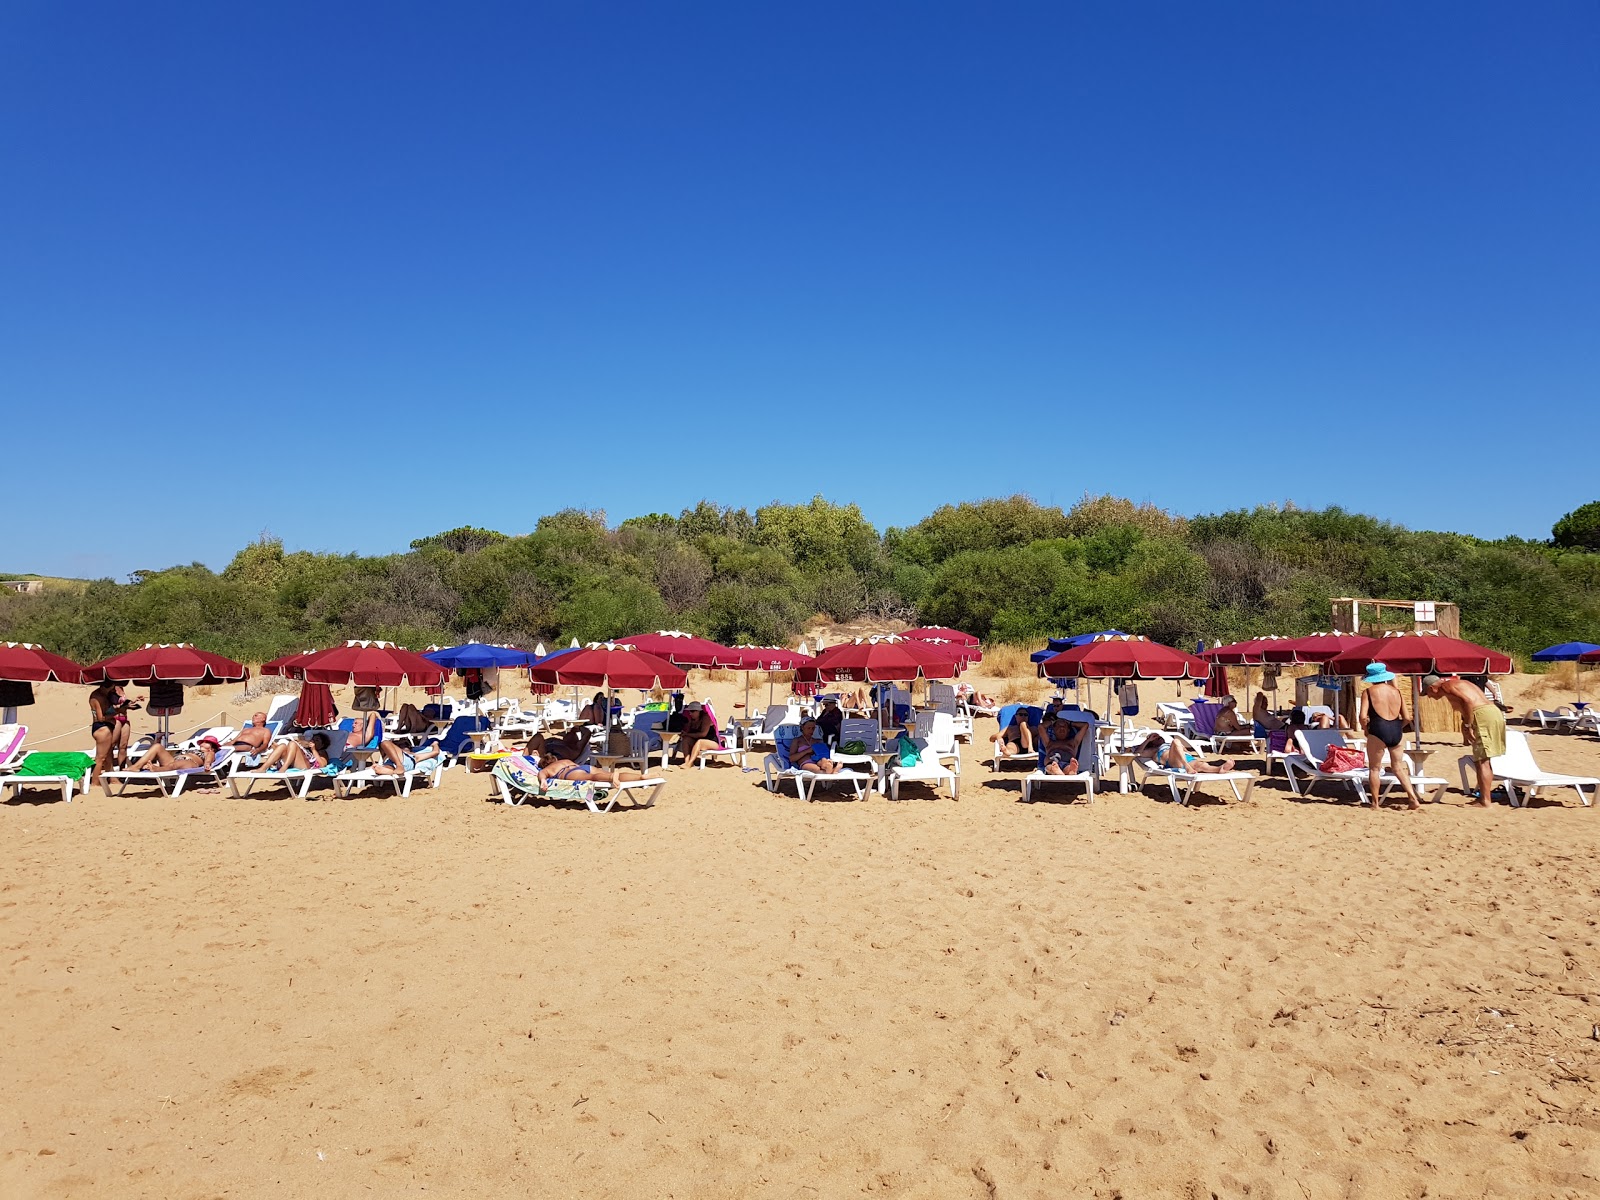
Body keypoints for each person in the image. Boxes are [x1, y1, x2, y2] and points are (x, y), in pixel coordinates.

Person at [1422, 672, 1505, 807]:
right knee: (1481, 759)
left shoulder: (1446, 686)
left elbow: (1467, 701)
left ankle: (1485, 801)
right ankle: (1484, 798)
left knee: (1482, 760)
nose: (1430, 697)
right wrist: (1466, 724)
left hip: (1482, 715)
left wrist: (1468, 725)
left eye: (1428, 694)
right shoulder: (1459, 684)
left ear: (1432, 688)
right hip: (1491, 712)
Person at [1358, 663, 1421, 811]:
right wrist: (1398, 726)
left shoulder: (1368, 692)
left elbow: (1362, 716)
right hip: (1396, 729)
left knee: (1374, 768)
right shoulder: (1396, 692)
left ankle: (1375, 803)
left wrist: (1365, 729)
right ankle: (1412, 798)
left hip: (1378, 729)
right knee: (1398, 768)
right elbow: (1407, 717)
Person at [88, 680, 138, 788]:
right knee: (100, 757)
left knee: (107, 756)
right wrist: (115, 712)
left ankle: (112, 779)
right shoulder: (98, 697)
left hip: (103, 726)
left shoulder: (101, 695)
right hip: (102, 727)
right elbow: (101, 718)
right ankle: (95, 783)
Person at [1136, 732, 1236, 774]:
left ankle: (1219, 769)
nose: (1159, 738)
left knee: (1200, 765)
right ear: (1152, 743)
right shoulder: (1154, 750)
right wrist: (1148, 740)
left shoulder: (1168, 744)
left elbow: (1185, 751)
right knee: (1176, 741)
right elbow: (1138, 753)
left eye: (1159, 736)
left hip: (1187, 758)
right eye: (1156, 738)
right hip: (1173, 762)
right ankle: (1186, 766)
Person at [124, 734, 221, 777]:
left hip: (190, 763)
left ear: (212, 747)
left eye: (207, 742)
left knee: (174, 766)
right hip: (176, 760)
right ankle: (136, 766)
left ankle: (156, 769)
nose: (203, 743)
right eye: (202, 742)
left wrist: (207, 764)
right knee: (157, 746)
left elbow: (209, 758)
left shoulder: (209, 752)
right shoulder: (193, 748)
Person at [537, 753, 643, 786]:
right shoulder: (564, 760)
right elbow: (577, 766)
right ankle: (640, 777)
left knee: (592, 778)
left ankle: (611, 777)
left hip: (569, 773)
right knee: (605, 773)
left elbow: (542, 773)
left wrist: (543, 780)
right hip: (582, 767)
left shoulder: (549, 768)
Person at [257, 731, 333, 773]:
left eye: (317, 740)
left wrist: (313, 750)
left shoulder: (322, 752)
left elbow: (322, 765)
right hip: (294, 763)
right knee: (282, 746)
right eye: (313, 739)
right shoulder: (306, 748)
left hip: (306, 767)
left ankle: (284, 768)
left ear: (323, 744)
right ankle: (263, 768)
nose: (314, 741)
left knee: (293, 744)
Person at [673, 701, 720, 766]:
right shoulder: (692, 719)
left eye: (692, 711)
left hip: (712, 742)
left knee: (699, 742)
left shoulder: (706, 718)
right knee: (686, 739)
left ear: (698, 711)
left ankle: (690, 763)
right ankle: (687, 761)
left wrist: (687, 734)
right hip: (697, 742)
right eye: (689, 711)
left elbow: (703, 734)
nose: (690, 713)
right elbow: (688, 732)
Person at [372, 737, 443, 776]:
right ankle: (386, 770)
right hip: (391, 761)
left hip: (406, 761)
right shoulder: (392, 752)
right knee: (388, 765)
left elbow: (436, 752)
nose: (402, 745)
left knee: (385, 743)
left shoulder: (414, 755)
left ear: (409, 747)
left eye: (404, 744)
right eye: (400, 744)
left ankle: (399, 765)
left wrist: (435, 744)